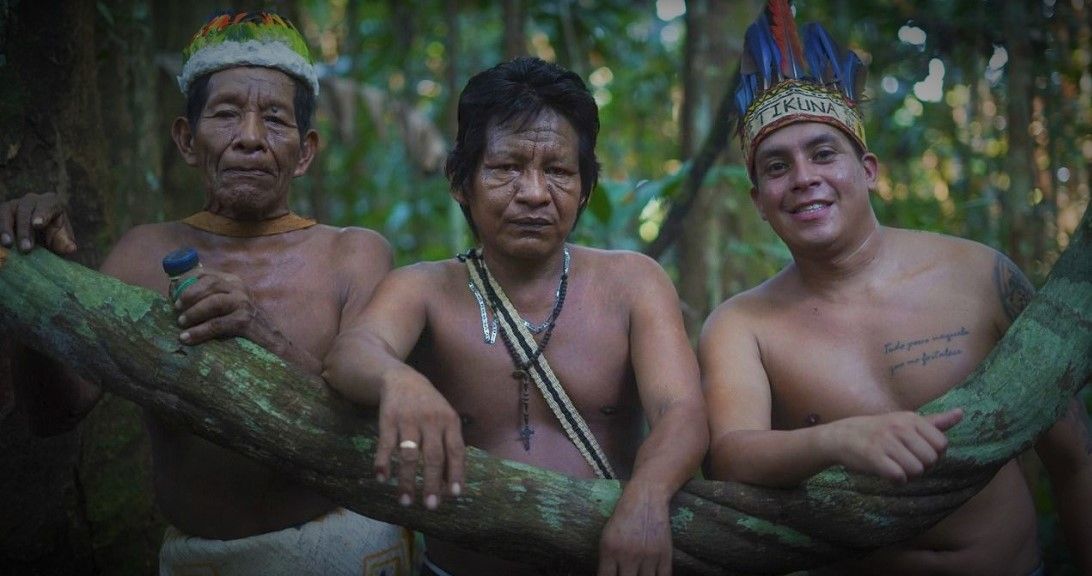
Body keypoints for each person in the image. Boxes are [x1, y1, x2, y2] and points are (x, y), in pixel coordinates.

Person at [0, 11, 410, 576]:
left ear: (306, 150)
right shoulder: (143, 255)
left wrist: (258, 330)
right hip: (202, 563)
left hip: (348, 549)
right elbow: (52, 414)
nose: (249, 138)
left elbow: (367, 433)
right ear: (186, 141)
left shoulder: (356, 255)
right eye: (224, 114)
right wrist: (31, 281)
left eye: (274, 119)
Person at [699, 2, 1092, 575]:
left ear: (869, 170)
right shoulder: (742, 325)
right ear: (759, 201)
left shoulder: (981, 277)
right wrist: (840, 440)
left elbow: (1075, 460)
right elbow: (731, 454)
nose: (804, 177)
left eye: (824, 153)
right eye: (777, 167)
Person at [323, 56, 708, 576]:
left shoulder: (634, 284)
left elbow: (681, 412)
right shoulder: (424, 289)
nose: (533, 193)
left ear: (585, 187)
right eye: (506, 169)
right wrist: (398, 380)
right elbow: (350, 353)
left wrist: (646, 498)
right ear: (462, 182)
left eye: (557, 171)